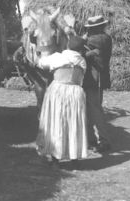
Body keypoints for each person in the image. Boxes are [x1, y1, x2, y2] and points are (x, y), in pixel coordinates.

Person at [36, 36, 88, 166]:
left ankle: (55, 157)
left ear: (68, 46)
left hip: (58, 91)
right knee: (74, 122)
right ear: (81, 49)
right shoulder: (82, 61)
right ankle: (74, 156)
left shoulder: (57, 57)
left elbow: (41, 63)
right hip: (75, 92)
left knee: (57, 122)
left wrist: (42, 54)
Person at [82, 15, 113, 154]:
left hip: (94, 79)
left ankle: (103, 141)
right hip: (98, 78)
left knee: (94, 109)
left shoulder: (94, 39)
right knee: (93, 108)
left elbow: (82, 53)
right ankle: (93, 140)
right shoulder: (106, 38)